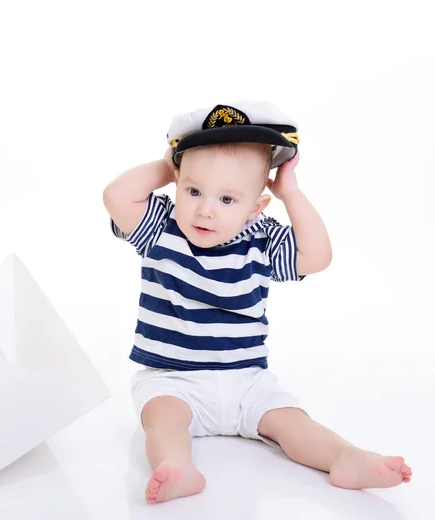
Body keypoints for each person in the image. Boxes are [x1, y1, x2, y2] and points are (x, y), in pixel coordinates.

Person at [103, 101, 412, 504]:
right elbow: (115, 196)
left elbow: (316, 257)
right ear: (176, 184)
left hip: (247, 381)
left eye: (227, 200)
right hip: (171, 378)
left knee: (291, 423)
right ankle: (177, 467)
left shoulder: (262, 239)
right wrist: (169, 164)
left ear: (256, 206)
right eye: (193, 190)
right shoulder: (160, 226)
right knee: (163, 421)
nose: (204, 209)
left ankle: (344, 457)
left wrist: (292, 193)